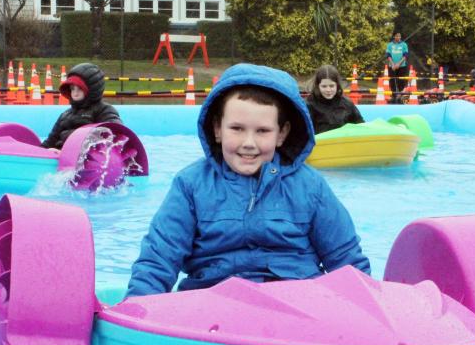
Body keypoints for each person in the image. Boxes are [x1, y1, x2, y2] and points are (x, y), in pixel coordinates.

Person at [127, 63, 371, 297]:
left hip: (296, 303)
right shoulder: (191, 185)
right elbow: (158, 258)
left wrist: (368, 313)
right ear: (217, 129)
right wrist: (138, 309)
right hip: (212, 308)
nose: (249, 143)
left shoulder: (310, 187)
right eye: (237, 129)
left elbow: (346, 260)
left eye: (262, 131)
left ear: (282, 134)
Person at [41, 62, 121, 150]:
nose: (75, 93)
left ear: (91, 90)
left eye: (80, 89)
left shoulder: (104, 111)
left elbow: (112, 137)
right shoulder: (65, 115)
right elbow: (50, 142)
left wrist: (67, 150)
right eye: (72, 89)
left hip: (83, 157)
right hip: (59, 155)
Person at [305, 64, 364, 134]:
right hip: (321, 144)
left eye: (331, 86)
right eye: (324, 86)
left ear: (337, 85)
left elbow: (360, 125)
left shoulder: (346, 104)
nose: (328, 90)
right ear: (318, 86)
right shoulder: (309, 105)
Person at [385, 32, 409, 103]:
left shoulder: (404, 44)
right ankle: (394, 96)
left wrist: (398, 63)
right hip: (392, 66)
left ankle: (400, 96)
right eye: (397, 36)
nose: (398, 37)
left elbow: (405, 55)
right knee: (392, 81)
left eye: (399, 36)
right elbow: (388, 55)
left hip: (401, 66)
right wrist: (392, 64)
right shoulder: (390, 45)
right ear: (394, 36)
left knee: (401, 81)